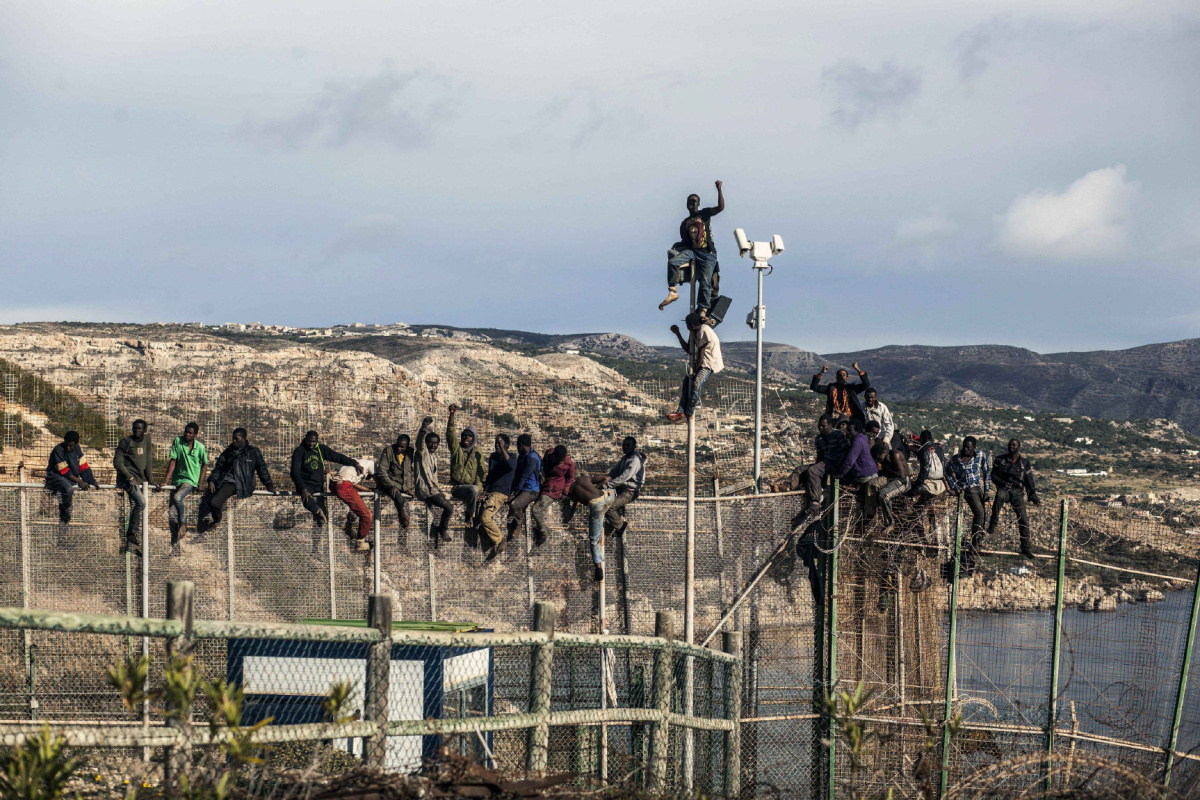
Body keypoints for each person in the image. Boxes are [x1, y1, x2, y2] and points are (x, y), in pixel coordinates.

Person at [661, 180, 724, 314]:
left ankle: (703, 309)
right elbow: (687, 241)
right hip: (693, 252)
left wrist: (719, 190)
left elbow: (720, 208)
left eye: (695, 201)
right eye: (690, 201)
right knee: (673, 262)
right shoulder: (685, 223)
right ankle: (673, 291)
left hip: (708, 253)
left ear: (699, 203)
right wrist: (679, 244)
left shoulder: (705, 214)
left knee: (705, 281)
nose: (692, 203)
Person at [197, 428, 277, 534]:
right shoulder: (228, 451)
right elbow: (218, 468)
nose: (234, 441)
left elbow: (262, 470)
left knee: (215, 503)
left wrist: (269, 485)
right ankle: (211, 521)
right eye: (233, 438)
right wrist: (211, 480)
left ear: (243, 439)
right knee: (209, 500)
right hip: (223, 482)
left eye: (236, 439)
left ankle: (217, 521)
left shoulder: (253, 452)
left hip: (239, 483)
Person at [773, 415, 850, 525]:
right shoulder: (819, 438)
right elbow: (820, 456)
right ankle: (788, 485)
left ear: (830, 425)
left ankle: (815, 500)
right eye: (819, 426)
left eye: (823, 426)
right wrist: (817, 466)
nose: (821, 428)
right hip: (824, 462)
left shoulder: (838, 435)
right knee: (800, 469)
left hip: (835, 462)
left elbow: (846, 451)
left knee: (813, 471)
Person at [290, 431, 360, 528]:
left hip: (318, 485)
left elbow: (337, 457)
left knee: (323, 513)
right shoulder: (299, 451)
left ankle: (322, 525)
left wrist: (353, 462)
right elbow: (294, 472)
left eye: (314, 442)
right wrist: (302, 488)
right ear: (305, 439)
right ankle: (318, 512)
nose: (311, 444)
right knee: (308, 501)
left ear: (317, 441)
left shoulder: (321, 449)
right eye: (309, 441)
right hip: (306, 485)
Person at [666, 312, 724, 422]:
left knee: (696, 383)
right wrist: (678, 334)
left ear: (692, 325)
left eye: (687, 325)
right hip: (702, 362)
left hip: (708, 363)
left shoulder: (703, 330)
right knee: (687, 382)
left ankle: (688, 413)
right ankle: (680, 411)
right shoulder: (695, 332)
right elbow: (688, 349)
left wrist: (696, 369)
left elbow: (701, 352)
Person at [988, 438, 1040, 559]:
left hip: (1017, 492)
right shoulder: (1000, 460)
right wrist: (1002, 483)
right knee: (999, 497)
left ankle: (1025, 546)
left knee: (1023, 518)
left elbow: (1029, 481)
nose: (1012, 446)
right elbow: (993, 476)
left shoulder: (1024, 463)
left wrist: (1033, 495)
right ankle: (992, 525)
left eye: (1014, 445)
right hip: (1004, 489)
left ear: (1019, 447)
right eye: (1010, 444)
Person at [44, 430, 99, 545]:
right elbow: (64, 470)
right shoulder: (58, 450)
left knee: (68, 502)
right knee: (68, 490)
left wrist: (92, 481)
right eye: (67, 445)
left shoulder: (77, 449)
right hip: (56, 477)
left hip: (69, 479)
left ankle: (62, 538)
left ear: (75, 444)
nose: (68, 448)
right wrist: (80, 481)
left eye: (71, 446)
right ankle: (65, 509)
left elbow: (84, 467)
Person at [161, 422, 208, 551]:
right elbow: (173, 461)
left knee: (177, 497)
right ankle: (175, 547)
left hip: (191, 480)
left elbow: (204, 464)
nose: (187, 434)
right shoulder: (178, 441)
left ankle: (183, 523)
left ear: (195, 435)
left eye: (190, 433)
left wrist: (201, 482)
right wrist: (166, 481)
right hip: (177, 480)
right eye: (186, 431)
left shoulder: (200, 447)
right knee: (171, 514)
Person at [946, 436, 991, 572]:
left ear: (974, 448)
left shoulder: (980, 456)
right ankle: (975, 541)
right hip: (966, 488)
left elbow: (986, 471)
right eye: (964, 446)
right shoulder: (956, 459)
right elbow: (947, 472)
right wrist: (954, 486)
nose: (965, 449)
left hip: (977, 487)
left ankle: (978, 538)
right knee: (979, 512)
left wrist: (987, 490)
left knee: (983, 514)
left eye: (969, 447)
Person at [113, 419, 152, 556]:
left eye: (140, 428)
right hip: (127, 481)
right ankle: (130, 535)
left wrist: (151, 480)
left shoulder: (147, 440)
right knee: (141, 503)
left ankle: (131, 545)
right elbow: (117, 462)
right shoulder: (125, 442)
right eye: (135, 428)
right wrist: (129, 478)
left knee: (137, 510)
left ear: (144, 430)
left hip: (139, 481)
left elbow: (148, 461)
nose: (137, 430)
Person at [566, 472, 614, 581]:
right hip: (609, 496)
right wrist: (596, 488)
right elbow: (607, 478)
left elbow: (570, 511)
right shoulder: (583, 478)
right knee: (609, 503)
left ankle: (598, 569)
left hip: (598, 506)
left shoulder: (570, 490)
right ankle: (618, 524)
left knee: (594, 539)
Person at [415, 416, 454, 544]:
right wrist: (423, 428)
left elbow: (434, 477)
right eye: (431, 442)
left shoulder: (434, 457)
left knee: (436, 515)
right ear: (426, 442)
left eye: (436, 443)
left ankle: (433, 544)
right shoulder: (423, 452)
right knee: (449, 507)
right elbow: (419, 443)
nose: (433, 445)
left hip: (432, 489)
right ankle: (443, 530)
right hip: (425, 490)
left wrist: (439, 490)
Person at [480, 434, 518, 561]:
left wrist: (502, 449)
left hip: (500, 494)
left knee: (485, 518)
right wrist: (485, 490)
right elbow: (490, 476)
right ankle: (494, 544)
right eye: (496, 442)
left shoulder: (512, 457)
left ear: (507, 445)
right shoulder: (493, 457)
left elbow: (510, 466)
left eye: (500, 443)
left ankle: (499, 540)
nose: (497, 445)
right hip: (491, 492)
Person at [446, 404, 485, 524]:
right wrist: (452, 414)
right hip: (458, 487)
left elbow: (479, 473)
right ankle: (469, 515)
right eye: (464, 436)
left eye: (469, 436)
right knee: (473, 489)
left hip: (472, 489)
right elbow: (450, 434)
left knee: (475, 490)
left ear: (473, 439)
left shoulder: (478, 452)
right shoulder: (457, 450)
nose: (466, 438)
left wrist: (479, 490)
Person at [375, 433, 416, 541]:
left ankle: (402, 541)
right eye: (398, 445)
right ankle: (403, 516)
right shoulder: (388, 451)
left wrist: (408, 488)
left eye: (402, 447)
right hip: (389, 483)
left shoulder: (411, 453)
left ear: (407, 446)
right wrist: (391, 485)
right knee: (398, 498)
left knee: (406, 507)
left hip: (402, 485)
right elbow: (382, 471)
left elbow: (408, 472)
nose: (399, 448)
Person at [533, 444, 576, 544]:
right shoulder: (549, 454)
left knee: (536, 509)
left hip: (554, 489)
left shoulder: (569, 463)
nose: (561, 461)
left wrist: (565, 491)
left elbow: (570, 478)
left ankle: (544, 531)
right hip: (546, 483)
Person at [605, 437, 646, 536]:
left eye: (628, 445)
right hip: (621, 488)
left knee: (609, 507)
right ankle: (613, 525)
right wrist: (606, 478)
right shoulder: (625, 458)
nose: (625, 447)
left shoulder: (635, 461)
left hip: (629, 491)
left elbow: (624, 476)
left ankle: (620, 526)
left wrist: (608, 484)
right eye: (624, 445)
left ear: (634, 447)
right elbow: (615, 472)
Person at [331, 456, 374, 552]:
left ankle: (352, 525)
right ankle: (360, 543)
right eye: (369, 476)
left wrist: (367, 490)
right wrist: (379, 490)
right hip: (344, 486)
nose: (368, 478)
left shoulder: (354, 465)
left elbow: (352, 483)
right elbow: (379, 480)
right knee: (367, 515)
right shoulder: (372, 465)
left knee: (356, 497)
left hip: (334, 484)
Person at [508, 433, 542, 543]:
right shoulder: (523, 456)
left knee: (515, 504)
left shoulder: (532, 457)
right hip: (523, 488)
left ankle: (518, 524)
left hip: (531, 490)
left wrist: (516, 493)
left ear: (521, 445)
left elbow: (524, 476)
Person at [870, 441, 910, 534]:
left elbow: (901, 475)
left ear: (884, 453)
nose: (878, 460)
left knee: (882, 495)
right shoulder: (884, 458)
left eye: (879, 458)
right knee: (883, 493)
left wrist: (884, 467)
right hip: (893, 480)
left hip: (903, 482)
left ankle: (891, 522)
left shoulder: (895, 455)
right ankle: (887, 522)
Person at [836, 419, 879, 490]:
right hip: (873, 473)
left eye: (850, 430)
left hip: (864, 475)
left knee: (842, 479)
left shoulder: (857, 442)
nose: (847, 432)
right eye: (847, 430)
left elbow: (849, 462)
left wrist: (839, 475)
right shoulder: (863, 438)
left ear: (857, 431)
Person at [908, 430, 948, 501]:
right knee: (923, 503)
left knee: (907, 489)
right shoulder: (939, 447)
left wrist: (916, 487)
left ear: (922, 439)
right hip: (942, 483)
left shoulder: (924, 450)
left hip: (930, 484)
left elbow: (925, 470)